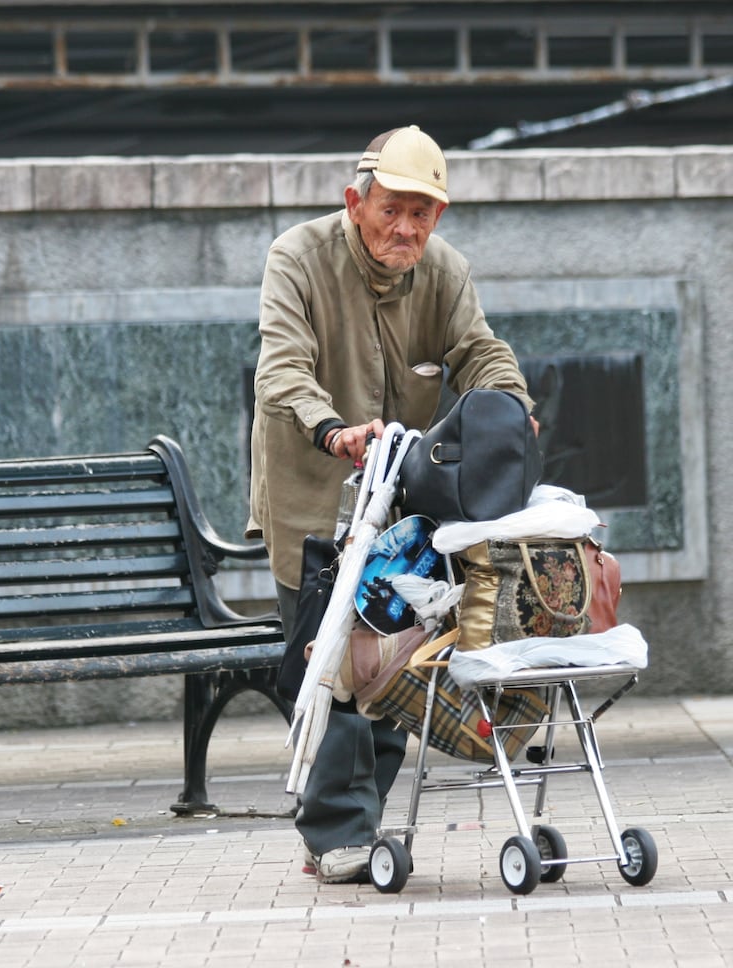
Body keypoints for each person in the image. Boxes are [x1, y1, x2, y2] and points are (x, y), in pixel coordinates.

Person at [247, 125, 536, 884]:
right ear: (356, 201)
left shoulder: (444, 271)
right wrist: (335, 431)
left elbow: (480, 351)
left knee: (395, 661)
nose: (408, 228)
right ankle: (337, 831)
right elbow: (280, 373)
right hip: (312, 498)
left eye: (425, 213)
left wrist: (509, 405)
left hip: (401, 506)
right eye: (394, 210)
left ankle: (356, 827)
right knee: (335, 662)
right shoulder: (296, 259)